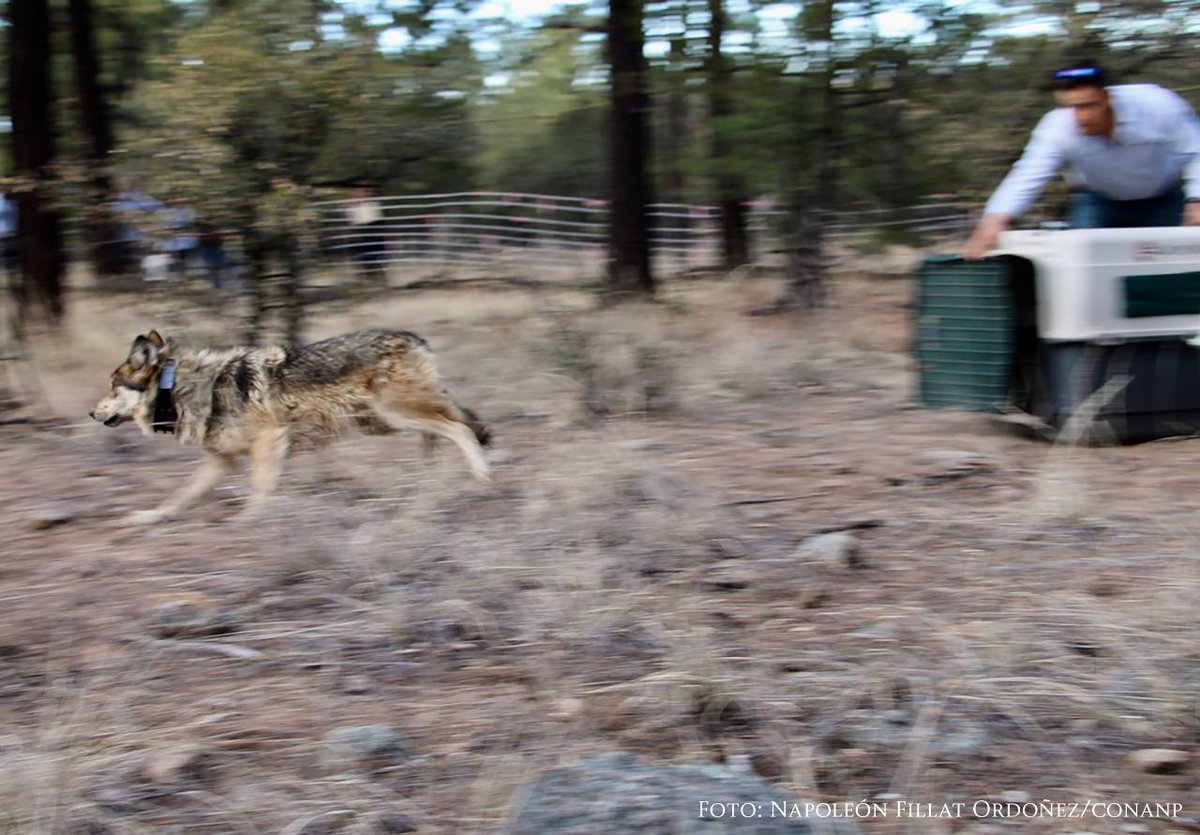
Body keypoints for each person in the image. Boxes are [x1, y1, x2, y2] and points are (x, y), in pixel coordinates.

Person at [964, 60, 1200, 259]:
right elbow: (1027, 174)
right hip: (1099, 201)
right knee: (1080, 262)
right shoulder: (1057, 127)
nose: (1081, 117)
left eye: (1088, 106)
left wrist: (1197, 200)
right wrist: (995, 218)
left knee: (1169, 268)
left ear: (1107, 97)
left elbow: (1196, 150)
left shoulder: (1157, 105)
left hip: (1164, 198)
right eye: (1071, 107)